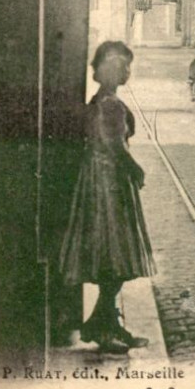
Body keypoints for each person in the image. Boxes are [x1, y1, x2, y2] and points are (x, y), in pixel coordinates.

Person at [59, 41, 155, 354]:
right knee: (115, 256)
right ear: (112, 68)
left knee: (112, 257)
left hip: (102, 181)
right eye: (124, 65)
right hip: (107, 185)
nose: (128, 71)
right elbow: (116, 146)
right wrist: (136, 168)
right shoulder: (109, 103)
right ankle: (102, 325)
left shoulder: (102, 99)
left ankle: (104, 323)